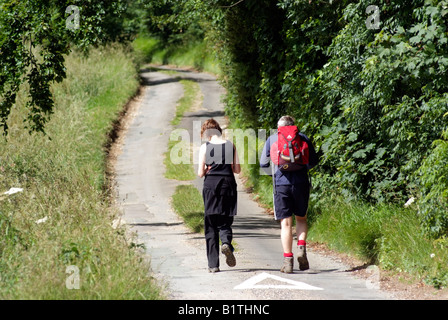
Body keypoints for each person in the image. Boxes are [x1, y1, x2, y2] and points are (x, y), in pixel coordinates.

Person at [260, 115, 319, 273]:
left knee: (286, 223)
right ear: (293, 126)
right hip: (301, 184)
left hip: (281, 184)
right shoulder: (303, 138)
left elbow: (262, 163)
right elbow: (313, 161)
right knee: (301, 219)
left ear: (279, 127)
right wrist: (302, 169)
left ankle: (288, 262)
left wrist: (274, 174)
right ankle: (301, 248)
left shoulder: (273, 139)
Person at [198, 118, 241, 273]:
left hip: (211, 186)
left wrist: (209, 168)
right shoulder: (230, 145)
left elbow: (200, 173)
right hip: (228, 185)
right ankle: (226, 243)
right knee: (225, 220)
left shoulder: (205, 148)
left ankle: (213, 265)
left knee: (211, 224)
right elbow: (237, 170)